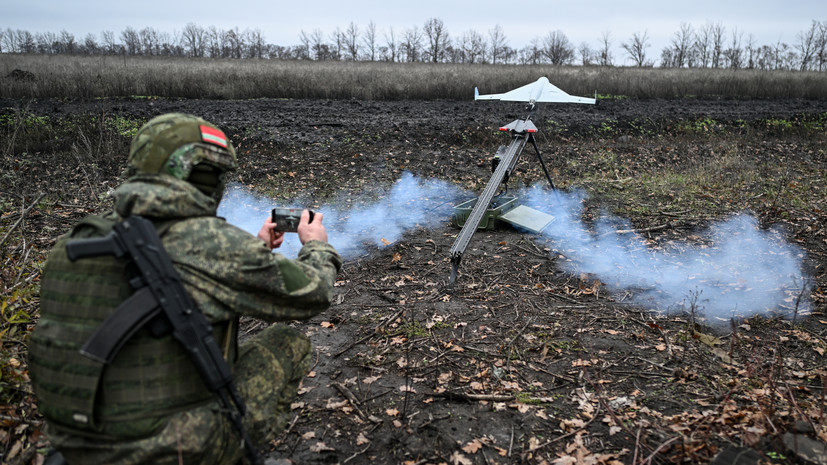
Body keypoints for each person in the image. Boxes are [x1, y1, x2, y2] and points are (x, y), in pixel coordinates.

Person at [29, 113, 342, 464]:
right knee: (288, 342)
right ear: (206, 178)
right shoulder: (210, 245)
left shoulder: (75, 244)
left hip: (75, 446)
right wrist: (317, 246)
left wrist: (253, 250)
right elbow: (314, 293)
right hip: (169, 450)